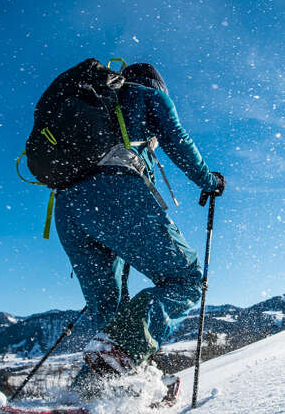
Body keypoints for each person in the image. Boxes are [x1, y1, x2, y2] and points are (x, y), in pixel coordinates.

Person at [53, 63, 224, 388]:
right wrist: (209, 181)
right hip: (114, 195)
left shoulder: (93, 107)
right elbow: (178, 140)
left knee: (109, 309)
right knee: (185, 280)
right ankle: (117, 362)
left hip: (67, 208)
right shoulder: (146, 95)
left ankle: (94, 390)